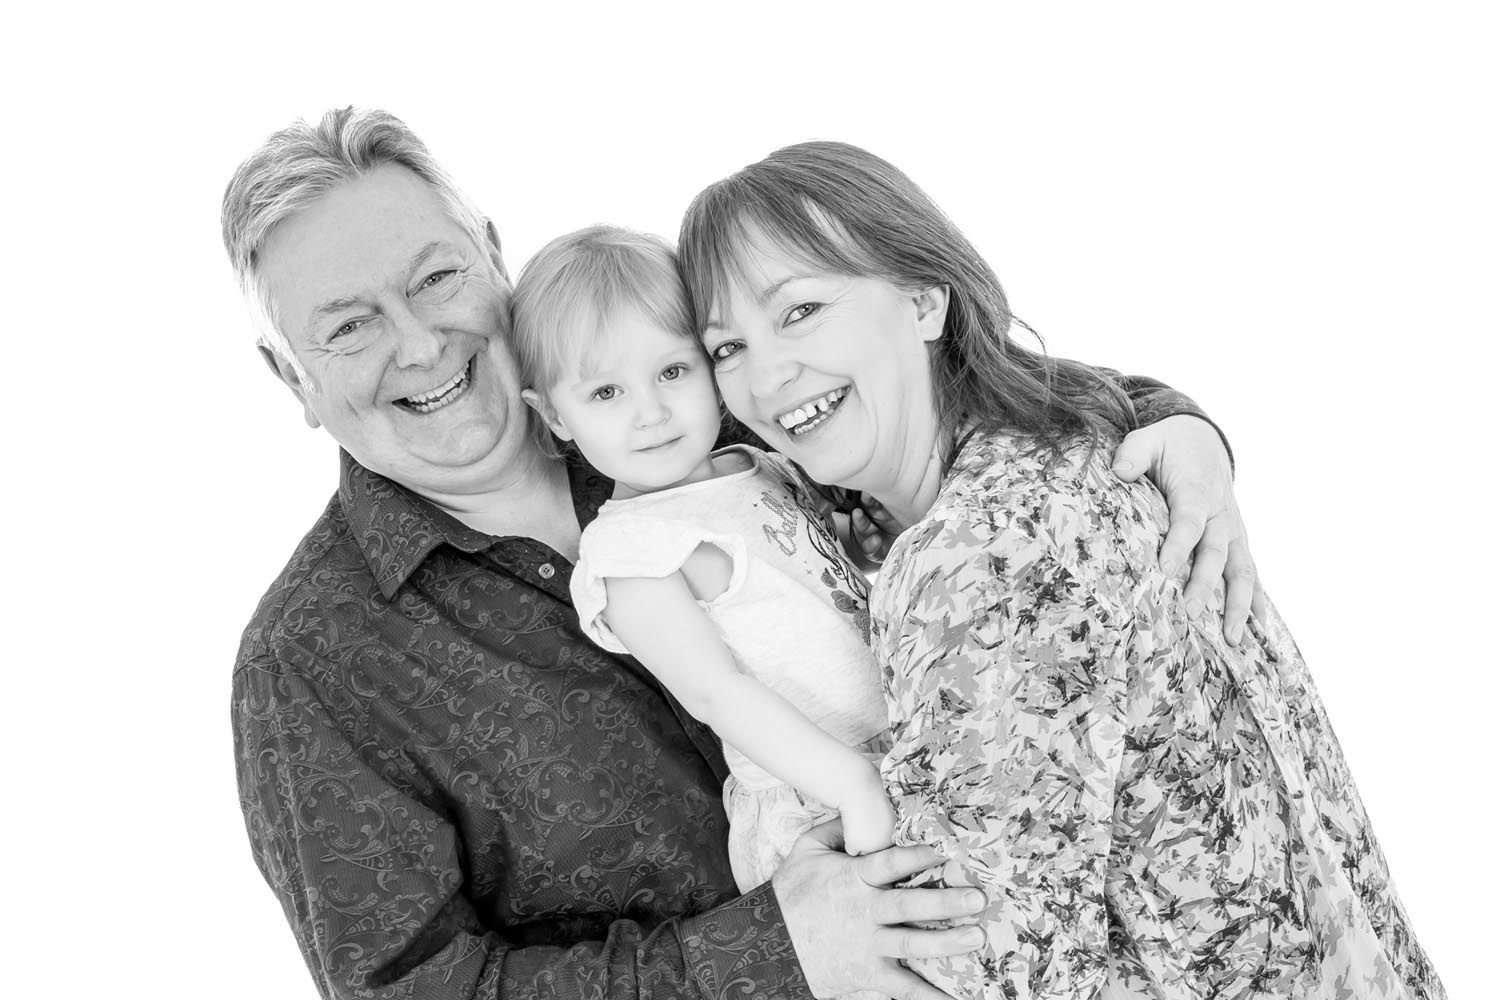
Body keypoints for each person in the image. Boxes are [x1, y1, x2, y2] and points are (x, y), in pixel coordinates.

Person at [223, 107, 1257, 1000]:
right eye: (348, 328)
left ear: (492, 254)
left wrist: (1171, 427)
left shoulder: (691, 410)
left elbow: (935, 390)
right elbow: (415, 990)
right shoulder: (309, 662)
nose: (418, 343)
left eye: (436, 276)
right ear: (288, 377)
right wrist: (769, 954)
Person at [677, 140, 1447, 999]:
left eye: (801, 310)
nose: (767, 376)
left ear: (924, 301)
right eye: (726, 349)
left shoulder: (978, 560)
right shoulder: (1076, 437)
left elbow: (985, 967)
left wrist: (803, 914)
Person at [510, 224, 895, 891]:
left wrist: (861, 546)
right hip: (814, 798)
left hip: (894, 744)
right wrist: (852, 783)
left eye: (671, 371)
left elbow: (803, 578)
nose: (651, 413)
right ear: (555, 417)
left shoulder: (761, 465)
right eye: (606, 393)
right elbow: (716, 692)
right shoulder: (631, 549)